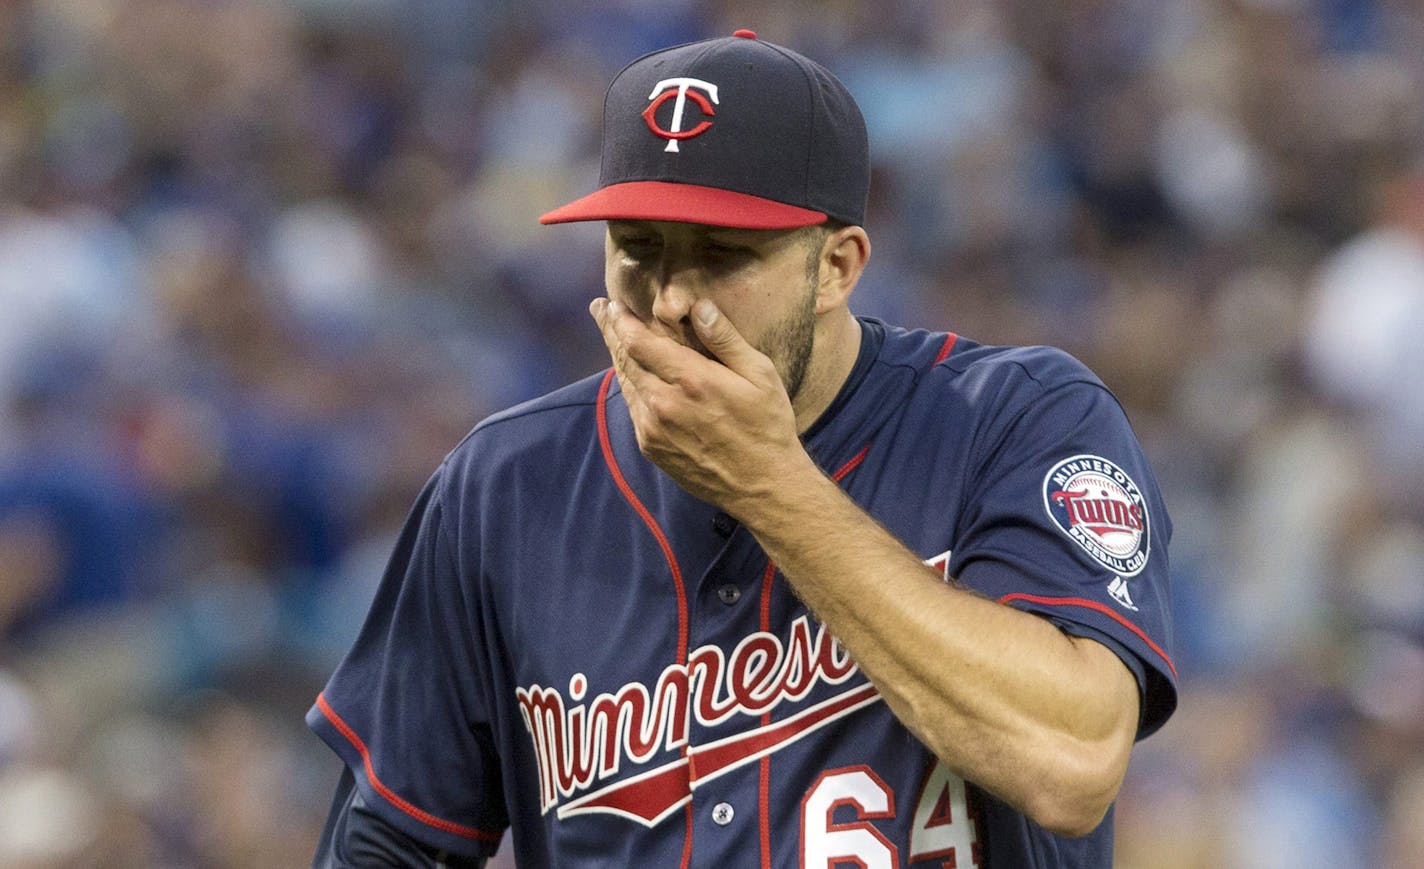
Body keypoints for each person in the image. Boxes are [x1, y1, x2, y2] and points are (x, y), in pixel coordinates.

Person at [308, 30, 1177, 868]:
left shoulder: (1014, 420)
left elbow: (1072, 764)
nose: (674, 299)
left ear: (837, 266)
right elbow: (389, 836)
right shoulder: (507, 483)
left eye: (724, 255)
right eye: (638, 252)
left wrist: (770, 484)